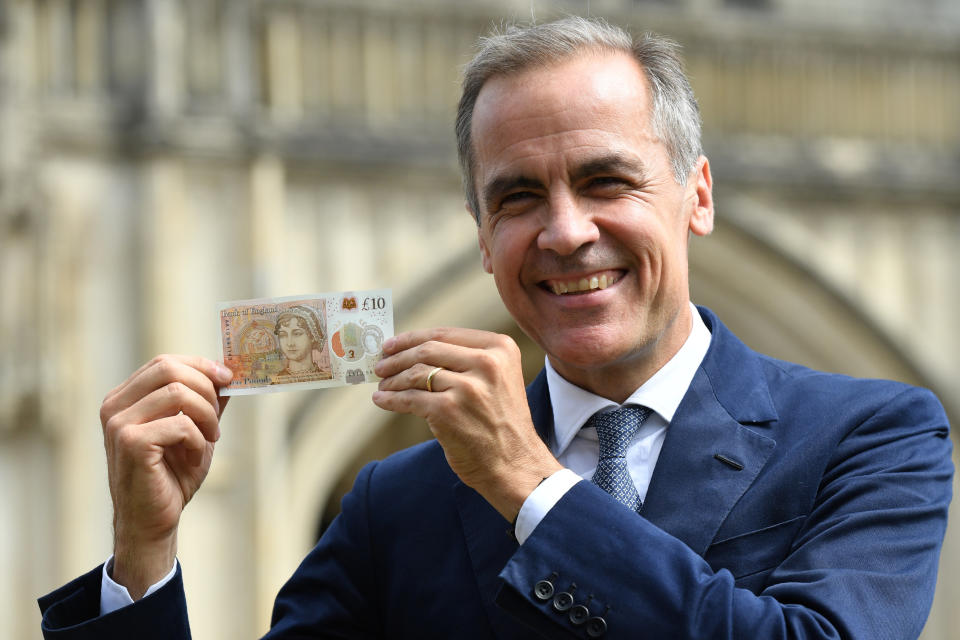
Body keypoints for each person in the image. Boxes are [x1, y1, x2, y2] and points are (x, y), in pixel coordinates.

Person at [38, 17, 952, 640]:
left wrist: (530, 484)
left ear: (697, 196)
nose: (564, 231)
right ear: (483, 238)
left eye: (606, 181)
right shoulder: (393, 505)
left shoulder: (873, 435)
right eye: (517, 198)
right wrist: (143, 562)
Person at [271, 305, 332, 383]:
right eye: (283, 335)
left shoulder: (327, 380)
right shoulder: (276, 383)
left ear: (313, 336)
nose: (290, 343)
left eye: (297, 334)